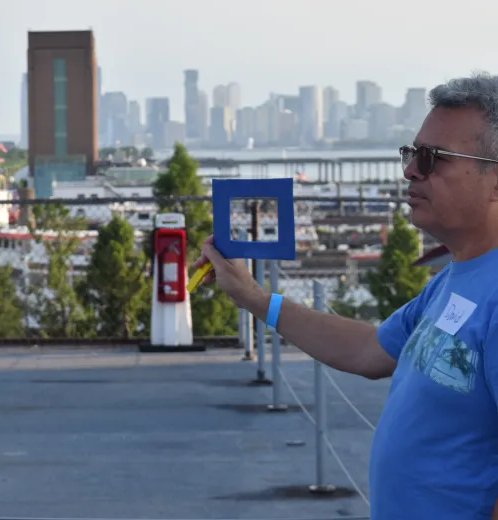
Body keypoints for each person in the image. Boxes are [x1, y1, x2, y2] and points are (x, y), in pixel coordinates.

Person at [194, 72, 498, 520]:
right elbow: (368, 350)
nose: (411, 169)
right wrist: (254, 297)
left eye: (433, 158)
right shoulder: (453, 280)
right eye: (411, 153)